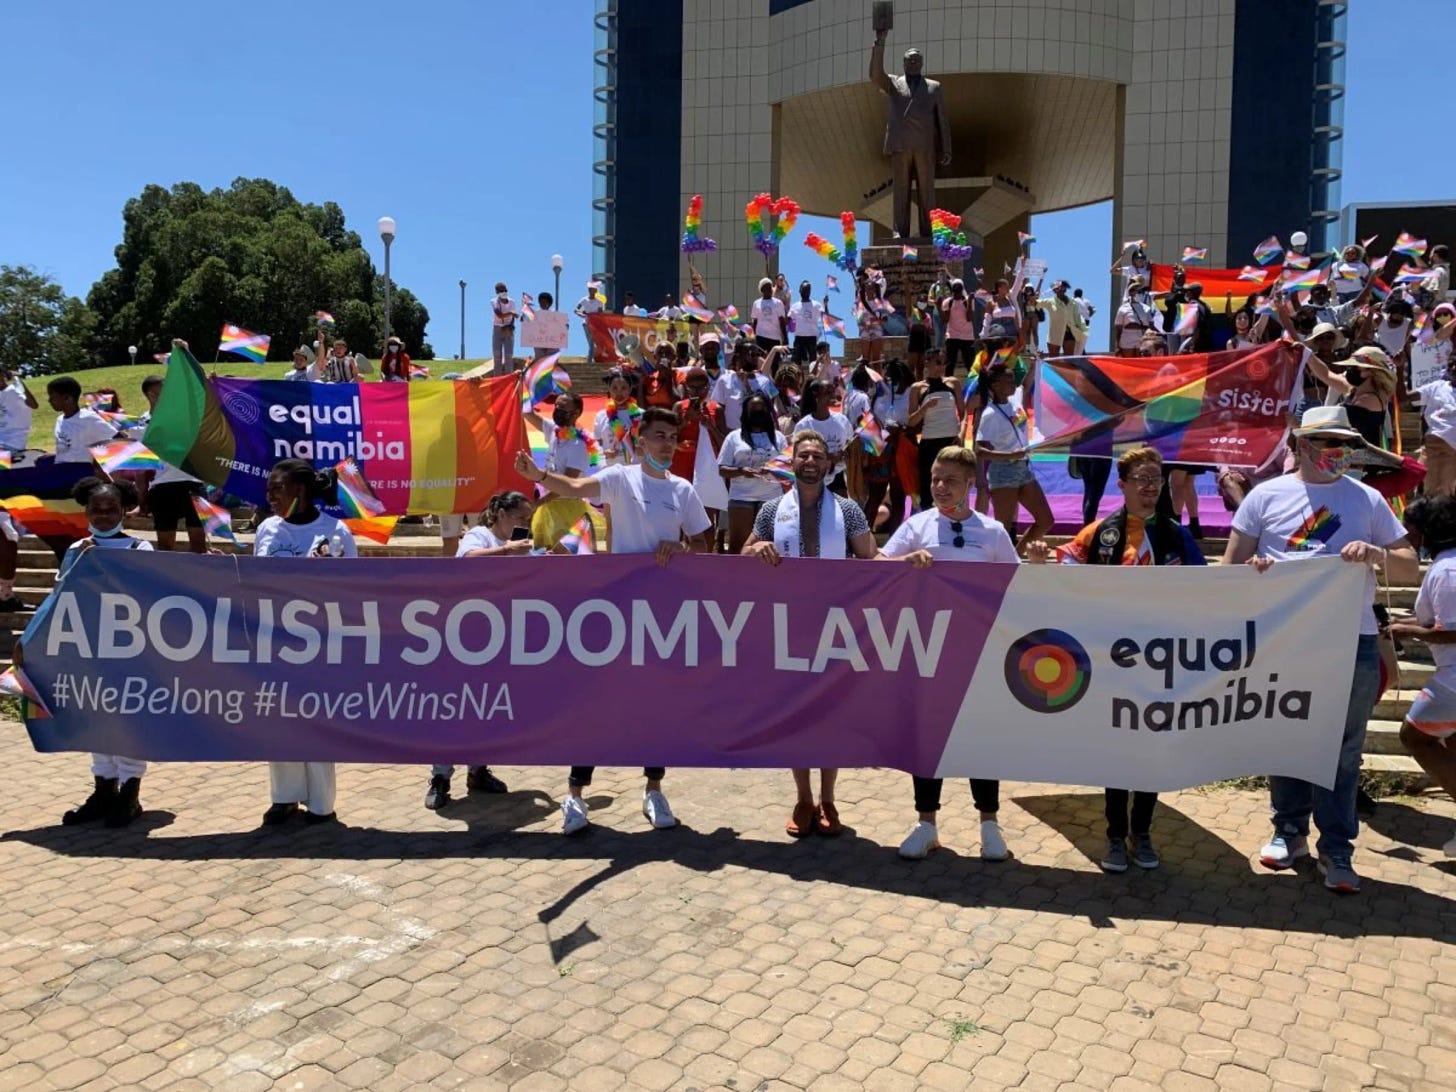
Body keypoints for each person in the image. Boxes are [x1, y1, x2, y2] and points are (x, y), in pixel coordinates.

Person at [1223, 405, 1418, 893]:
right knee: (1284, 737)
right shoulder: (1264, 497)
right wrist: (1257, 573)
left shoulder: (1368, 500)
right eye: (1328, 441)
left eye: (1345, 442)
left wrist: (1376, 554)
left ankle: (1337, 848)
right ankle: (1288, 831)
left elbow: (1410, 568)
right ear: (1301, 444)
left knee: (1342, 750)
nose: (1339, 451)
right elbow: (1229, 570)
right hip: (1282, 640)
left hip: (1350, 643)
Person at [514, 408, 712, 834]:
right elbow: (575, 485)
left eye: (672, 437)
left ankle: (654, 790)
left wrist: (680, 548)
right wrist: (539, 475)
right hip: (617, 608)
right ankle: (576, 795)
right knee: (596, 703)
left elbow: (702, 542)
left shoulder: (683, 490)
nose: (667, 444)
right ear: (640, 441)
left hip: (663, 614)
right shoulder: (620, 479)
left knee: (656, 706)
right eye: (658, 436)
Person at [1044, 447, 1206, 870]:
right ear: (1123, 486)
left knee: (1149, 752)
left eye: (1156, 479)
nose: (1151, 488)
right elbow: (1067, 575)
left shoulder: (1177, 535)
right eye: (1142, 480)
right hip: (1113, 663)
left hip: (1160, 663)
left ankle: (1143, 832)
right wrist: (1044, 563)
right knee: (1118, 752)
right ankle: (1115, 836)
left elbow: (1213, 586)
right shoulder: (1100, 533)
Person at [879, 445, 1020, 861]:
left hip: (978, 652)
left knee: (982, 736)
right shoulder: (916, 526)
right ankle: (926, 824)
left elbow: (1013, 588)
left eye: (951, 480)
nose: (940, 487)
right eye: (936, 479)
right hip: (926, 650)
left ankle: (990, 825)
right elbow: (877, 572)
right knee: (927, 736)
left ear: (971, 486)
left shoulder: (993, 533)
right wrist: (906, 561)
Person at [743, 429, 877, 836]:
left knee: (831, 717)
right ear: (792, 462)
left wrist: (910, 563)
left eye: (817, 455)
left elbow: (871, 557)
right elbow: (742, 553)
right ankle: (803, 799)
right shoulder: (770, 511)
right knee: (797, 717)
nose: (810, 462)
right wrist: (756, 550)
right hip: (789, 628)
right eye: (803, 455)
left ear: (829, 464)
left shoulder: (848, 509)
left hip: (837, 627)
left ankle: (829, 800)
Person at [254, 460, 359, 827]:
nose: (269, 496)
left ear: (299, 491)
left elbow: (352, 589)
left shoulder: (336, 532)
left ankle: (320, 804)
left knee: (315, 723)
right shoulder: (267, 529)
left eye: (276, 489)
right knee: (278, 721)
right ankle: (284, 799)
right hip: (275, 642)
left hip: (320, 646)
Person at [50, 477, 153, 827]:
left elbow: (147, 597)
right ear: (86, 512)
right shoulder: (77, 549)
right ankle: (103, 789)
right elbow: (61, 598)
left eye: (111, 509)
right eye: (97, 509)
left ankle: (130, 792)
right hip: (87, 649)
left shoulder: (141, 550)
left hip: (129, 651)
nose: (104, 515)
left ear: (125, 510)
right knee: (95, 718)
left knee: (128, 721)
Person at [421, 492, 532, 809]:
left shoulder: (520, 545)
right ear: (500, 514)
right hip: (466, 636)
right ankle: (440, 777)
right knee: (454, 707)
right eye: (520, 518)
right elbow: (467, 560)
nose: (525, 525)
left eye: (528, 519)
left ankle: (478, 770)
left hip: (499, 635)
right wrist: (506, 551)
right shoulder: (479, 535)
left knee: (487, 705)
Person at [1388, 495, 1456, 857]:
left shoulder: (1447, 570)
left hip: (1453, 677)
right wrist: (1403, 626)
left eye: (1410, 530)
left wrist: (1412, 633)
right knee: (1450, 741)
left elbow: (1452, 630)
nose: (1407, 537)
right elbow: (1435, 622)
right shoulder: (1446, 565)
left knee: (1414, 737)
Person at [975, 364, 1052, 553]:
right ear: (995, 385)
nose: (1013, 383)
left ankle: (1015, 557)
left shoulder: (1015, 399)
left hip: (1023, 468)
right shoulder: (990, 414)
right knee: (1003, 526)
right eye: (1008, 380)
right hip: (1003, 470)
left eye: (1012, 378)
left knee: (1046, 520)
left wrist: (1036, 363)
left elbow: (1025, 384)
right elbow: (979, 450)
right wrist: (1010, 455)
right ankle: (996, 564)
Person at [136, 375, 206, 554]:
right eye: (164, 390)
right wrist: (141, 499)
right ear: (151, 394)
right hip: (162, 488)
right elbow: (141, 467)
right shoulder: (141, 424)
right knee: (166, 546)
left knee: (199, 543)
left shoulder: (184, 416)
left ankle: (202, 580)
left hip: (193, 483)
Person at [719, 393, 787, 553]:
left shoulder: (779, 438)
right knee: (738, 545)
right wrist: (741, 471)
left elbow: (787, 472)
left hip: (771, 498)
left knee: (769, 545)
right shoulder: (734, 437)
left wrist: (771, 470)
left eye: (761, 409)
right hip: (742, 497)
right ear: (746, 412)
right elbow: (722, 469)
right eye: (753, 409)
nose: (758, 413)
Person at [0, 365, 39, 611]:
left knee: (9, 532)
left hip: (10, 454)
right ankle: (5, 595)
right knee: (8, 533)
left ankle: (5, 595)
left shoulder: (14, 391)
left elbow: (34, 404)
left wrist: (19, 379)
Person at [907, 349, 964, 511]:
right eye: (938, 362)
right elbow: (911, 421)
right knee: (928, 483)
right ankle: (927, 516)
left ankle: (958, 517)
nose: (942, 367)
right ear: (927, 363)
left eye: (944, 363)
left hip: (951, 440)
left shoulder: (953, 383)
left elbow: (963, 413)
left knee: (956, 481)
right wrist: (924, 408)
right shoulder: (918, 387)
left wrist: (961, 433)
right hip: (929, 442)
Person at [792, 378, 856, 495]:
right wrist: (828, 458)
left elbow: (849, 443)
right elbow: (797, 454)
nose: (832, 395)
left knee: (839, 510)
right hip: (813, 477)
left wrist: (844, 454)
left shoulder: (841, 420)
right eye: (827, 392)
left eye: (833, 391)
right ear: (816, 395)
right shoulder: (804, 425)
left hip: (838, 476)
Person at [1414, 348, 1456, 496]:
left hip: (1452, 454)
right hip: (1431, 449)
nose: (1454, 368)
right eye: (1451, 364)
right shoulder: (1436, 387)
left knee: (1446, 497)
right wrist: (1398, 369)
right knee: (1425, 493)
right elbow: (1404, 397)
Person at [48, 376, 118, 464]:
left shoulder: (88, 418)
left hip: (80, 470)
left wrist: (101, 462)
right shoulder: (60, 420)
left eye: (53, 397)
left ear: (67, 398)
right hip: (60, 468)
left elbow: (117, 437)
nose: (49, 400)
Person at [593, 370, 641, 466]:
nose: (619, 392)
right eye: (614, 388)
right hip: (610, 469)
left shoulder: (640, 415)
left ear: (630, 389)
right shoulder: (601, 416)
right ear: (609, 389)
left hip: (635, 469)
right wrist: (605, 452)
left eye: (624, 388)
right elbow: (597, 442)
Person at [1039, 280, 1085, 357]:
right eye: (1057, 288)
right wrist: (1034, 296)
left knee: (1069, 359)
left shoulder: (1073, 303)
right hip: (1055, 333)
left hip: (1069, 332)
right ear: (1054, 290)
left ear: (1066, 289)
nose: (1060, 290)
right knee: (1054, 359)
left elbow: (1077, 319)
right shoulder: (1049, 301)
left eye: (1062, 288)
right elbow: (1035, 302)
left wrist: (1080, 333)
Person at [940, 279, 976, 376]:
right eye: (955, 291)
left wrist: (969, 301)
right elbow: (946, 320)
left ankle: (973, 385)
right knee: (950, 364)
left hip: (967, 336)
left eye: (959, 291)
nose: (957, 294)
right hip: (952, 336)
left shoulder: (967, 300)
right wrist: (939, 306)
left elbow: (969, 318)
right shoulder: (948, 302)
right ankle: (948, 384)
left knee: (970, 364)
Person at [1114, 279, 1158, 356]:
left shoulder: (1146, 308)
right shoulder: (1123, 308)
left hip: (1142, 336)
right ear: (1130, 293)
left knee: (1140, 360)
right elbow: (1118, 329)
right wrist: (1117, 345)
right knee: (1128, 362)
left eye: (1138, 291)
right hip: (1127, 336)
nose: (1136, 293)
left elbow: (1151, 325)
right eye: (1133, 290)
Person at [788, 281, 823, 365]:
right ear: (799, 290)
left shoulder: (816, 305)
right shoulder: (794, 305)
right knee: (796, 361)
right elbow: (788, 319)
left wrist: (826, 304)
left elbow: (824, 316)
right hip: (799, 336)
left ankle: (813, 377)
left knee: (813, 361)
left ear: (810, 291)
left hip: (812, 336)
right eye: (803, 289)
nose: (805, 291)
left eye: (807, 290)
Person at [752, 278, 788, 353]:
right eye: (767, 287)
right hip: (760, 338)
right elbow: (755, 321)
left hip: (774, 338)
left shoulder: (778, 303)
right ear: (762, 290)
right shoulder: (756, 303)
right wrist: (753, 337)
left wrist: (785, 338)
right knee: (761, 362)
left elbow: (782, 322)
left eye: (771, 287)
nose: (770, 289)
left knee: (774, 363)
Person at [490, 282, 518, 376]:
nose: (504, 292)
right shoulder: (494, 302)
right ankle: (497, 379)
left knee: (508, 357)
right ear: (497, 291)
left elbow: (513, 317)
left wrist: (510, 328)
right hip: (497, 329)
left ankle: (508, 380)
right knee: (497, 357)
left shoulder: (512, 302)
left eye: (505, 290)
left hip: (508, 330)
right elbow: (499, 315)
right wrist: (511, 313)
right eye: (501, 290)